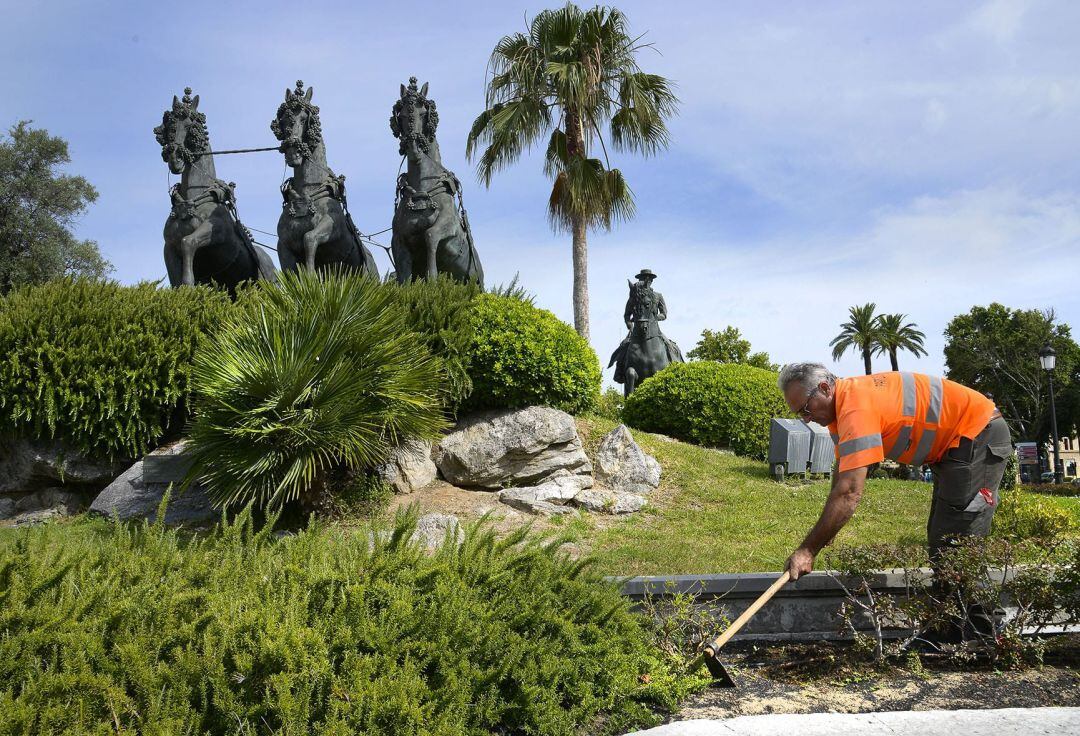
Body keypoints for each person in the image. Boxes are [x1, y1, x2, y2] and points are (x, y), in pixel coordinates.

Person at [777, 363, 1013, 583]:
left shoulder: (856, 407)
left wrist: (808, 550)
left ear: (825, 388)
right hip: (954, 448)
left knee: (957, 544)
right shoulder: (839, 414)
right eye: (800, 414)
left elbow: (849, 492)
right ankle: (949, 627)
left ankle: (982, 626)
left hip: (978, 433)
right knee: (943, 539)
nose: (807, 419)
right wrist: (826, 530)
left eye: (806, 409)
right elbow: (842, 474)